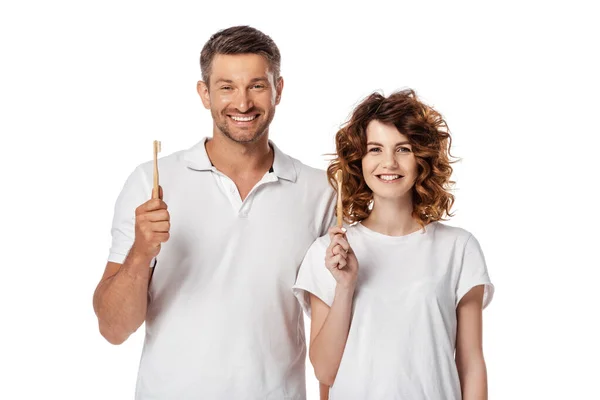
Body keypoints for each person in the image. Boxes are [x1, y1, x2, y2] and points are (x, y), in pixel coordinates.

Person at [93, 25, 335, 399]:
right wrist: (141, 252)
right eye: (226, 87)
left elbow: (332, 330)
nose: (242, 104)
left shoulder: (320, 192)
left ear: (278, 90)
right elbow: (113, 328)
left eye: (256, 85)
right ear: (204, 94)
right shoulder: (152, 181)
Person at [293, 89, 495, 399]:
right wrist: (345, 286)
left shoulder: (459, 249)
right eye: (375, 149)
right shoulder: (329, 253)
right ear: (359, 159)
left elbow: (471, 364)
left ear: (422, 159)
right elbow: (324, 371)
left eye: (402, 149)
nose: (389, 162)